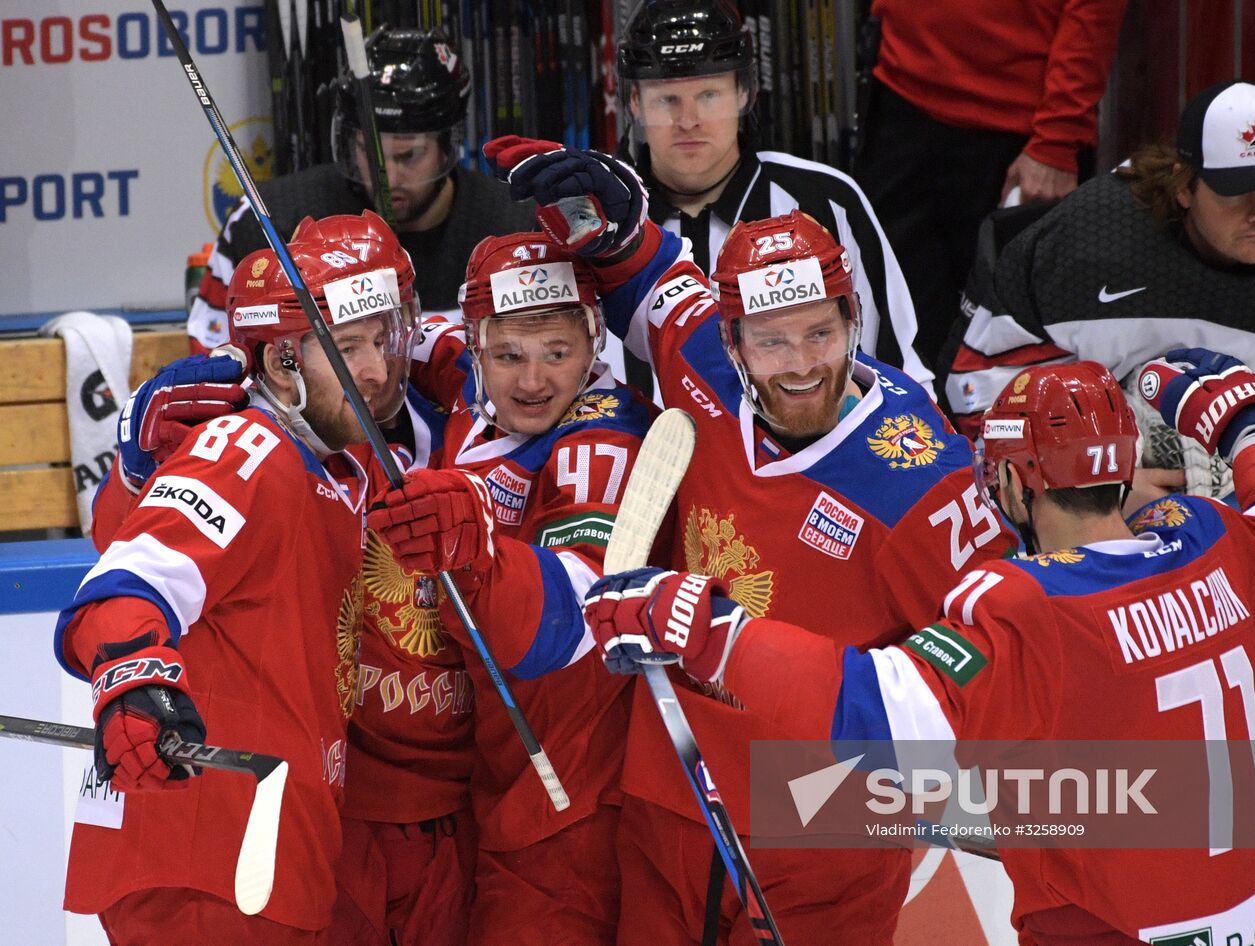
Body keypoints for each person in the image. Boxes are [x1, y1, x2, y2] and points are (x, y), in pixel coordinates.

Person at [584, 355, 1255, 944]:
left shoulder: (1027, 604)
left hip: (1104, 928)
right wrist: (1251, 420)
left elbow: (875, 715)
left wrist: (710, 629)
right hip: (1250, 921)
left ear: (1016, 482)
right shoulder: (1208, 542)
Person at [485, 135, 1016, 945]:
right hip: (672, 792)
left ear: (854, 321)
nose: (800, 364)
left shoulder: (921, 482)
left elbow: (1002, 661)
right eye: (771, 341)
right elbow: (647, 275)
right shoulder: (703, 359)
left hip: (819, 833)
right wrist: (609, 221)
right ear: (732, 344)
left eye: (820, 334)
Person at [53, 212, 417, 943]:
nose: (377, 371)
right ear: (281, 362)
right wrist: (134, 679)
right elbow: (127, 584)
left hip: (263, 856)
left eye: (383, 341)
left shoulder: (340, 465)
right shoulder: (246, 448)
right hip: (201, 859)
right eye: (348, 347)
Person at [366, 232, 658, 943]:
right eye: (508, 356)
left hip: (574, 795)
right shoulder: (466, 380)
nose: (532, 381)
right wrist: (240, 369)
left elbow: (581, 609)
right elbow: (396, 343)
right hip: (484, 780)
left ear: (593, 344)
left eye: (557, 353)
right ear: (476, 347)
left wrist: (477, 546)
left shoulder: (604, 439)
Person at [941, 80, 1255, 503]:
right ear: (1184, 188)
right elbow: (979, 386)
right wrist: (1099, 483)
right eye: (1235, 190)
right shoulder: (1087, 244)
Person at [614, 0, 934, 397]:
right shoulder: (600, 218)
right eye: (667, 100)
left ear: (744, 93)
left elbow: (901, 377)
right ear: (635, 103)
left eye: (709, 95)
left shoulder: (826, 201)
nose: (689, 120)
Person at [188, 26, 534, 353]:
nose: (389, 177)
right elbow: (216, 362)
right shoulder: (266, 222)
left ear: (447, 146)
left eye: (409, 155)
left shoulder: (518, 229)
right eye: (368, 152)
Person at [854, 0, 1127, 369]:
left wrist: (1057, 139)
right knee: (895, 337)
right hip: (897, 99)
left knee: (1011, 356)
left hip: (1015, 135)